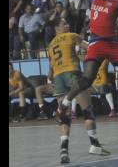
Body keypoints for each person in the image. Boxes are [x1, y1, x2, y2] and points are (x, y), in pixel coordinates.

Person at [47, 17, 110, 163]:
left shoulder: (50, 45)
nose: (67, 25)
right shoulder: (71, 36)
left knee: (64, 116)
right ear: (57, 28)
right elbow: (90, 48)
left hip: (58, 78)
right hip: (72, 74)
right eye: (64, 23)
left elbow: (50, 71)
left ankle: (64, 151)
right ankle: (94, 145)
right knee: (87, 110)